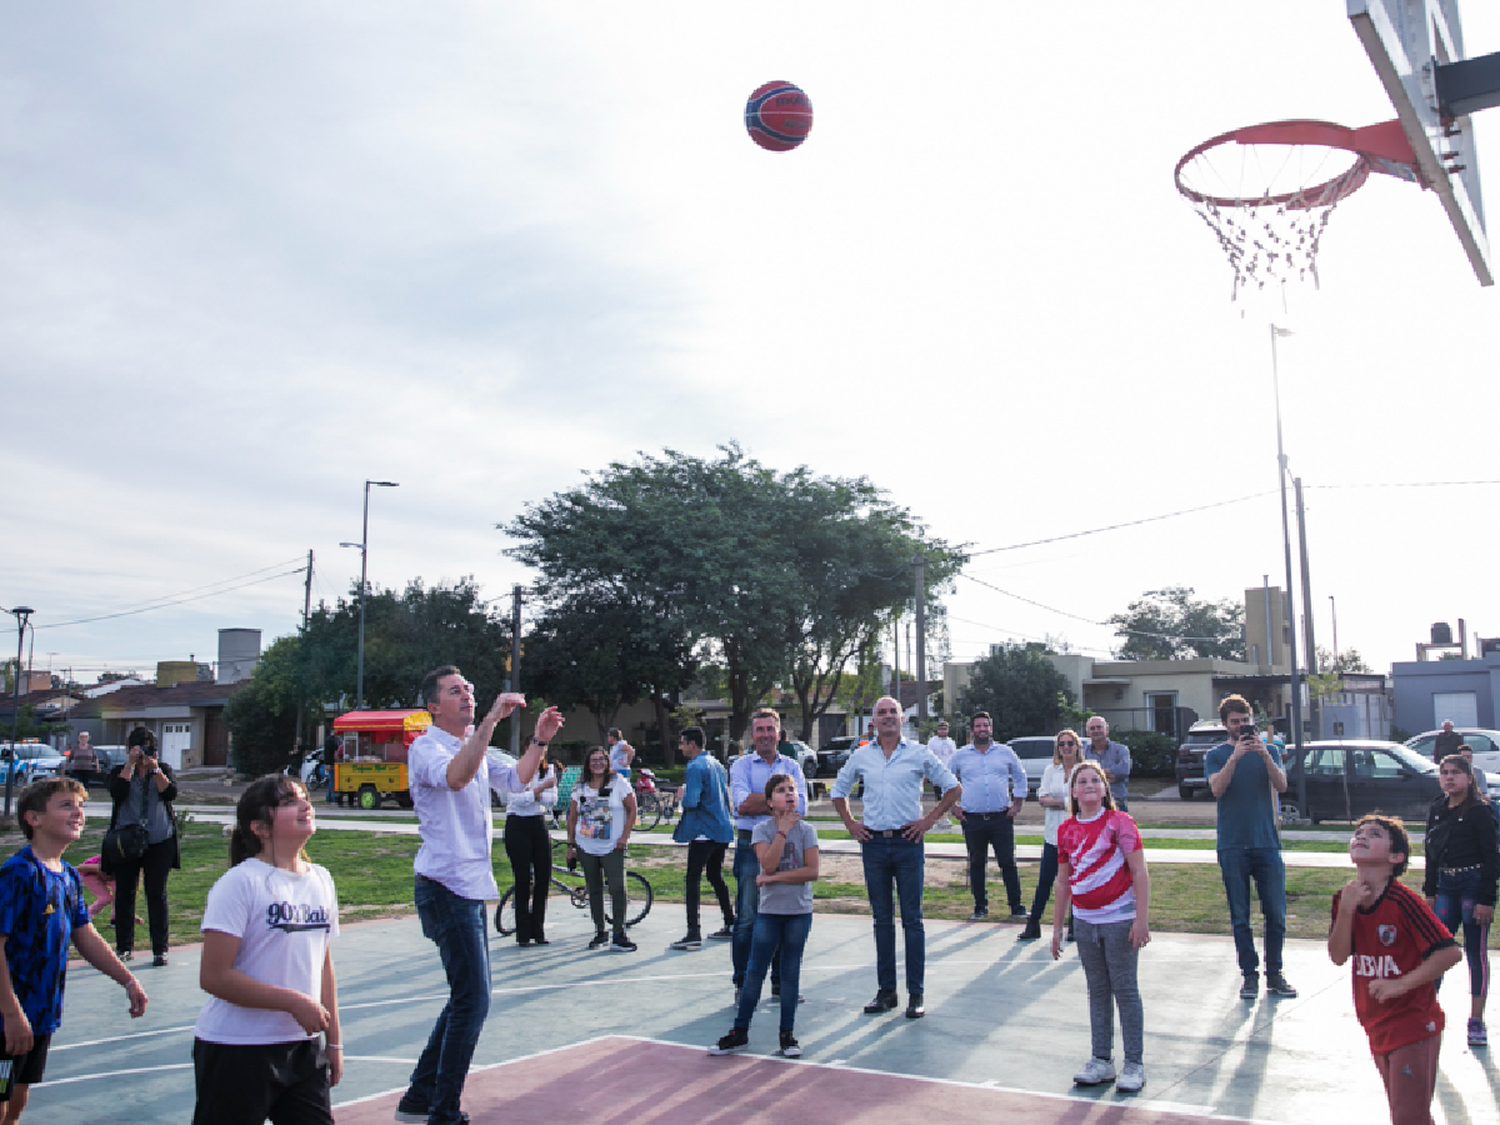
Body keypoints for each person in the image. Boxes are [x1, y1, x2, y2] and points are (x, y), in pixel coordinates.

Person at [395, 667, 563, 1125]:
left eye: (469, 689)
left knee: (464, 998)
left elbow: (517, 781)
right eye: (456, 691)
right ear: (433, 706)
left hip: (465, 889)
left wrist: (540, 740)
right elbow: (455, 777)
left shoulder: (474, 745)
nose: (467, 695)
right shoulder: (427, 748)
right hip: (444, 887)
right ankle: (443, 1111)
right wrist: (489, 721)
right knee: (473, 1001)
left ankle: (418, 1096)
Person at [192, 775, 342, 1125]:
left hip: (302, 1050)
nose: (306, 805)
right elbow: (214, 977)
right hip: (235, 1049)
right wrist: (293, 1002)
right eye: (289, 801)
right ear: (259, 827)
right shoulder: (240, 884)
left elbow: (324, 966)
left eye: (305, 797)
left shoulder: (321, 879)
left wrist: (333, 1042)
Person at [0, 778, 147, 1123]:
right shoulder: (18, 874)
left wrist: (127, 980)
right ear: (33, 818)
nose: (78, 813)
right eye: (66, 805)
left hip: (40, 1014)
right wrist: (10, 1013)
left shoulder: (67, 875)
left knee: (18, 1100)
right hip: (7, 1017)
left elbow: (84, 934)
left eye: (80, 806)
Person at [832, 695, 961, 1020]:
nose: (888, 716)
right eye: (881, 713)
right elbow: (838, 791)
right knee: (882, 920)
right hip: (873, 844)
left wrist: (928, 821)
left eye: (893, 712)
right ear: (872, 721)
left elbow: (952, 787)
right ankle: (886, 991)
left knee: (913, 920)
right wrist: (850, 824)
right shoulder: (862, 756)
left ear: (902, 719)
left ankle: (915, 994)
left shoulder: (919, 753)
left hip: (907, 843)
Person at [1329, 815, 1462, 1125]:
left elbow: (1450, 952)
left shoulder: (1404, 902)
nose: (1361, 836)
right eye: (1358, 832)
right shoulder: (1344, 898)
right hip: (1375, 1022)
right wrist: (1347, 910)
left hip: (1413, 1023)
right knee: (1409, 1116)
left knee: (1408, 1118)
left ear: (1395, 857)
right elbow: (1338, 956)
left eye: (1374, 834)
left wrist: (1398, 985)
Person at [1051, 761, 1150, 1093]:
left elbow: (1139, 872)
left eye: (1096, 780)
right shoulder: (1065, 830)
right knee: (1097, 990)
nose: (1090, 785)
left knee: (1125, 989)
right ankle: (1101, 1060)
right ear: (1074, 791)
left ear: (1105, 788)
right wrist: (1056, 928)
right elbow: (1063, 882)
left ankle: (1133, 1063)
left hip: (1119, 920)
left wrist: (1141, 919)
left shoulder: (1119, 823)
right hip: (1085, 923)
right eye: (1083, 781)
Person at [709, 774, 819, 1058]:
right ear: (770, 802)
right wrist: (781, 831)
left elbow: (811, 871)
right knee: (755, 972)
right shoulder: (762, 830)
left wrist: (774, 879)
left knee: (790, 973)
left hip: (798, 912)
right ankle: (740, 1031)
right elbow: (767, 865)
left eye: (792, 790)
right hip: (770, 913)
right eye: (781, 791)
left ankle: (787, 1035)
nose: (789, 794)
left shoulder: (807, 830)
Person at [1205, 695, 1296, 1001]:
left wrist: (1264, 755)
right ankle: (1249, 975)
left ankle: (1275, 974)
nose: (1242, 727)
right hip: (1233, 844)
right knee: (1240, 915)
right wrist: (1236, 756)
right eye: (1235, 722)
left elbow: (1282, 786)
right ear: (1225, 725)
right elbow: (1217, 789)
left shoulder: (1268, 750)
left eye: (1246, 721)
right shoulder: (1216, 755)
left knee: (1275, 913)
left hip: (1266, 842)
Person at [728, 709, 808, 1001]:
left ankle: (780, 984)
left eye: (769, 729)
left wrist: (761, 800)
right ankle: (743, 983)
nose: (764, 735)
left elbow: (801, 807)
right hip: (752, 845)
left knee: (784, 916)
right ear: (752, 735)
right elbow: (741, 806)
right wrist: (781, 799)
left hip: (787, 844)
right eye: (759, 730)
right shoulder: (741, 766)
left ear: (778, 733)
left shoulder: (792, 765)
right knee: (748, 918)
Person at [1423, 754, 1497, 1048]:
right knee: (1437, 948)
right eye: (1445, 773)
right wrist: (1430, 892)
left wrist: (1486, 899)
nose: (1449, 778)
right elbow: (1430, 851)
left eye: (1455, 773)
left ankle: (1476, 1019)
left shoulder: (1480, 811)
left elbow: (1492, 857)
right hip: (1445, 885)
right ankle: (1427, 1011)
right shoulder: (1437, 809)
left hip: (1473, 883)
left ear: (1469, 778)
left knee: (1475, 952)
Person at [107, 726, 179, 967]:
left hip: (159, 839)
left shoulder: (162, 770)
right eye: (140, 747)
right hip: (127, 840)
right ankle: (124, 947)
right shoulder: (120, 771)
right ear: (131, 748)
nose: (144, 753)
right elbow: (117, 793)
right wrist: (129, 764)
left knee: (156, 893)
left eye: (148, 747)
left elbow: (170, 794)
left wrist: (154, 767)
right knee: (125, 893)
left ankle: (160, 949)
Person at [949, 712, 1028, 921]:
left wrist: (1018, 803)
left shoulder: (1005, 752)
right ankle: (980, 907)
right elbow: (944, 780)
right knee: (976, 863)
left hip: (1001, 818)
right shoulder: (960, 755)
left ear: (991, 729)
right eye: (978, 726)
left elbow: (1020, 776)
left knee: (1008, 862)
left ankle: (1016, 907)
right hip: (972, 819)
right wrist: (952, 807)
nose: (982, 729)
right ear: (972, 730)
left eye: (985, 725)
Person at [566, 746, 638, 953]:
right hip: (586, 845)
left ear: (607, 762)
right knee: (594, 888)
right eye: (593, 760)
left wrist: (624, 836)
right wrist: (571, 845)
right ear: (588, 764)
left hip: (613, 845)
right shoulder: (580, 787)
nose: (598, 763)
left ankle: (618, 933)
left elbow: (632, 809)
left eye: (601, 759)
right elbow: (572, 817)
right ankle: (600, 930)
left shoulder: (618, 783)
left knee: (617, 888)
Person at [670, 727, 735, 951]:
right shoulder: (717, 764)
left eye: (682, 743)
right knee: (715, 875)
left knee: (692, 879)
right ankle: (730, 921)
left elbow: (692, 801)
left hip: (703, 831)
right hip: (721, 828)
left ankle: (693, 931)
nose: (680, 747)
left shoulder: (695, 766)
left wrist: (682, 795)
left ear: (692, 744)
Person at [1021, 729, 1083, 941]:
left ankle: (1075, 926)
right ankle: (1034, 924)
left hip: (1077, 837)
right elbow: (1042, 797)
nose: (1066, 747)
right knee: (1045, 881)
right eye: (1062, 744)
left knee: (1076, 881)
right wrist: (1065, 802)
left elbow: (1081, 802)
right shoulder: (1051, 770)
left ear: (1077, 747)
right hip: (1053, 837)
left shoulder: (1082, 771)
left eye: (1070, 743)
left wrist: (1058, 802)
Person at [502, 753, 558, 947]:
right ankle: (523, 933)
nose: (538, 756)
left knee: (543, 877)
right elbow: (516, 801)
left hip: (538, 823)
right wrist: (541, 788)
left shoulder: (547, 770)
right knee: (523, 879)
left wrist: (532, 793)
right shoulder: (516, 771)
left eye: (542, 752)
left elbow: (552, 801)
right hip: (517, 824)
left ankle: (538, 930)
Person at [1083, 716, 1131, 811]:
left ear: (1107, 729)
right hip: (1091, 808)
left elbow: (1124, 770)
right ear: (1088, 733)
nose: (1096, 730)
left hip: (1117, 806)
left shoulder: (1121, 750)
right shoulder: (1083, 753)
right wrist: (1111, 775)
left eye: (1099, 727)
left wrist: (1094, 776)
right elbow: (1080, 776)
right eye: (1092, 728)